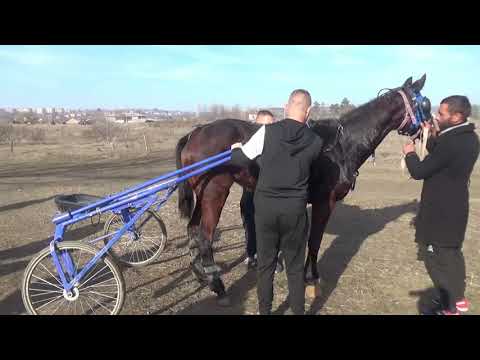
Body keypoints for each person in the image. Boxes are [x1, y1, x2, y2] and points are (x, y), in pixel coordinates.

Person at [230, 89, 324, 315]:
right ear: (308, 111)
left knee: (266, 265)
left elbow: (241, 160)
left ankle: (265, 311)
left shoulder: (266, 132)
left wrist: (235, 150)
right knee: (294, 268)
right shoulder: (316, 142)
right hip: (295, 210)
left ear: (285, 106)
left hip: (266, 210)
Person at [403, 95, 479, 315]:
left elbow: (419, 171)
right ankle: (459, 299)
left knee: (436, 257)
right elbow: (441, 155)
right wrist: (432, 135)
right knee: (453, 254)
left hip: (441, 210)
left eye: (442, 114)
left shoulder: (451, 142)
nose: (437, 116)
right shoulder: (469, 137)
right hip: (457, 206)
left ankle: (450, 306)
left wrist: (409, 155)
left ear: (456, 117)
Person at [240, 110, 284, 273]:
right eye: (262, 125)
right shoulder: (249, 146)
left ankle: (274, 257)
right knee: (250, 224)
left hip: (272, 195)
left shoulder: (280, 147)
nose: (266, 130)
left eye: (270, 125)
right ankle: (252, 254)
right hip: (251, 193)